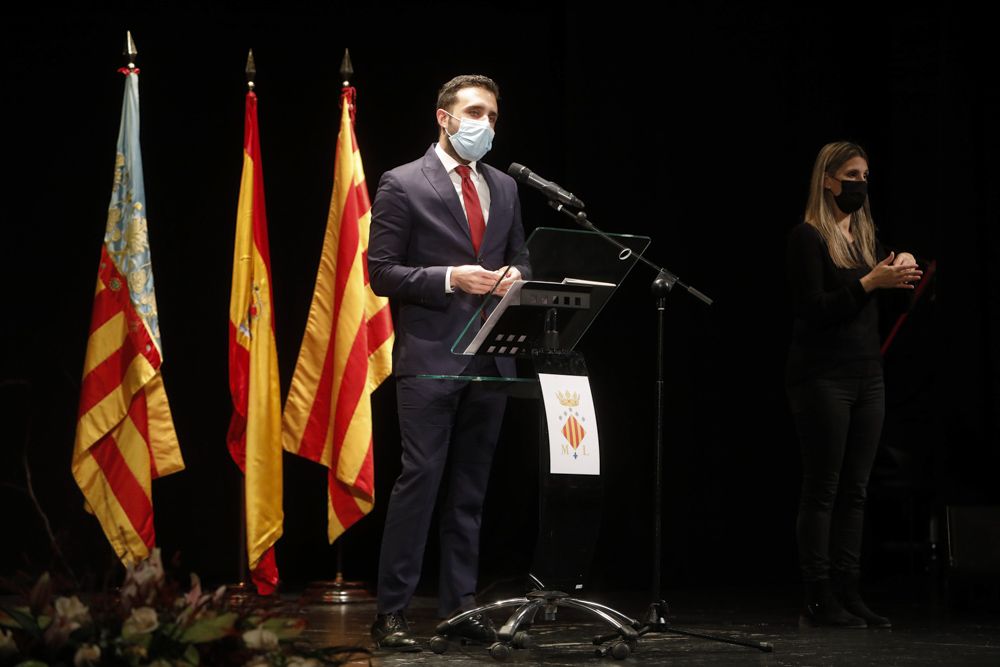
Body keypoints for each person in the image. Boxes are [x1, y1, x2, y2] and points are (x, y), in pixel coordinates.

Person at [366, 74, 525, 651]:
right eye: (475, 111)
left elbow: (522, 257)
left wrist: (517, 279)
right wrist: (449, 277)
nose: (485, 123)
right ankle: (393, 612)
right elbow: (379, 271)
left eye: (493, 114)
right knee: (421, 483)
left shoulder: (504, 187)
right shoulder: (403, 183)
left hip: (491, 360)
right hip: (430, 360)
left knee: (470, 493)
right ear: (444, 116)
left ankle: (460, 610)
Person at [786, 141, 921, 629]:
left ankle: (849, 589)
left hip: (868, 376)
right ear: (828, 180)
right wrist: (869, 283)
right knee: (823, 488)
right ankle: (818, 597)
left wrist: (900, 272)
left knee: (857, 490)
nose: (860, 183)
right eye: (851, 175)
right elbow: (814, 310)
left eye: (865, 175)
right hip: (821, 377)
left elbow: (882, 312)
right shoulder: (808, 237)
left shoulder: (864, 239)